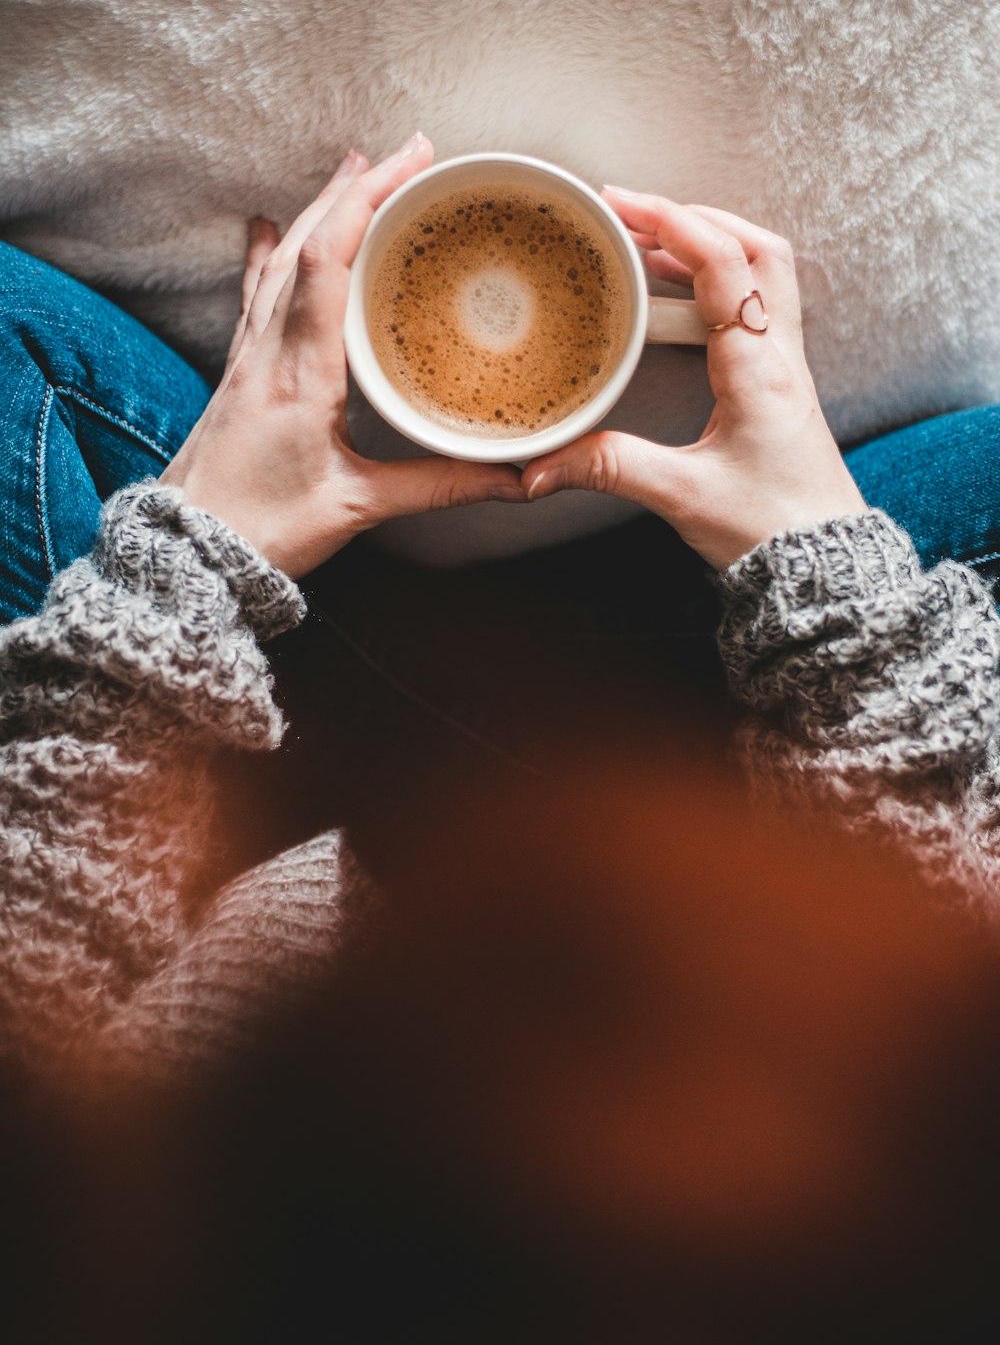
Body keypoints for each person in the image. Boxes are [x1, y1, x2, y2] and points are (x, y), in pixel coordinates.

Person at [1, 130, 999, 1083]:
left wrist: (186, 565)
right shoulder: (896, 1157)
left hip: (228, 829)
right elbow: (936, 1002)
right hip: (696, 829)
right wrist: (831, 596)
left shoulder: (86, 1204)